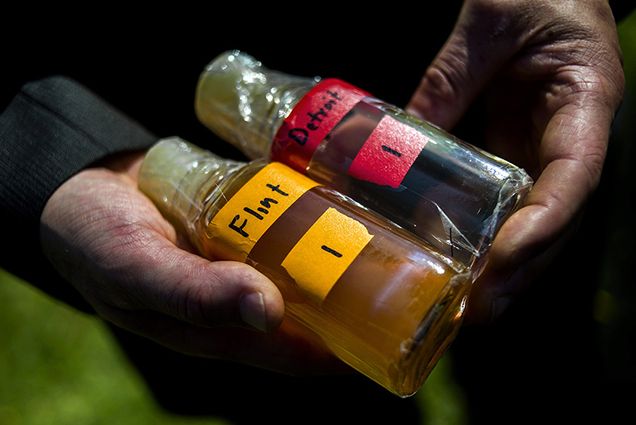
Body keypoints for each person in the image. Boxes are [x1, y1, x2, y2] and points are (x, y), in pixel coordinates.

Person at [1, 1, 631, 422]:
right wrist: (61, 157)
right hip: (128, 111)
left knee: (544, 351)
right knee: (298, 382)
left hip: (486, 73)